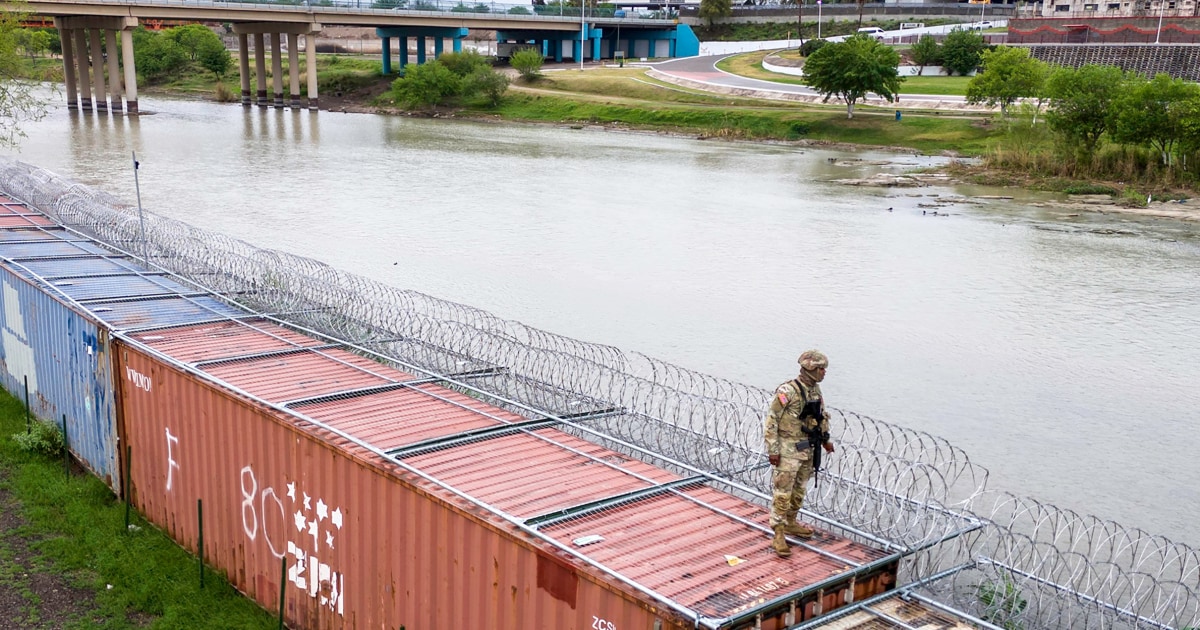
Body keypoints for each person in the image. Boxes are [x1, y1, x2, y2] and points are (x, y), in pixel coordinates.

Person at [763, 349, 836, 558]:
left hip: (806, 448)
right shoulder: (789, 391)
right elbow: (772, 420)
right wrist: (773, 450)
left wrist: (825, 440)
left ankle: (791, 522)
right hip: (787, 449)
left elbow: (820, 417)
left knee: (798, 491)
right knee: (782, 493)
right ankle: (778, 532)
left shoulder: (815, 391)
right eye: (821, 369)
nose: (824, 373)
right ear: (811, 368)